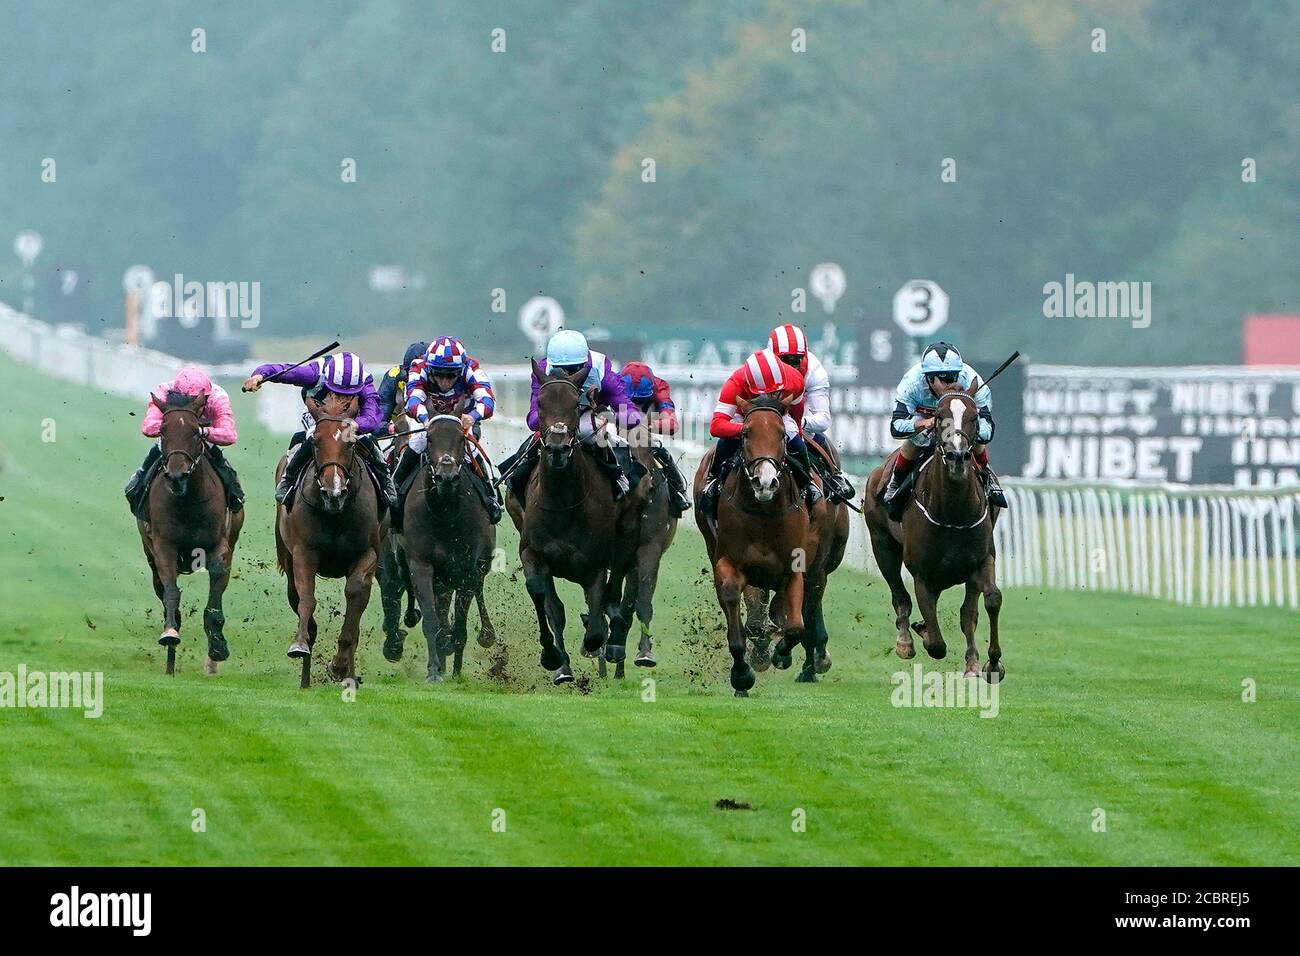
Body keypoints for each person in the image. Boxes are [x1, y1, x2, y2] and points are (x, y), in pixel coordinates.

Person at [501, 329, 643, 501]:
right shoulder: (542, 370)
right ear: (552, 365)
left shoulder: (600, 368)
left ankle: (619, 481)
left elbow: (629, 412)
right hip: (555, 417)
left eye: (574, 369)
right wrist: (550, 420)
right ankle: (516, 483)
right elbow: (532, 420)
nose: (567, 375)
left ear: (584, 364)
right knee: (537, 438)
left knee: (591, 431)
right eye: (561, 369)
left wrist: (610, 413)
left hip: (588, 413)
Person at [242, 351, 396, 508]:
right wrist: (259, 375)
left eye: (348, 394)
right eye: (337, 391)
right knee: (314, 437)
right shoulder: (314, 372)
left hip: (350, 419)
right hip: (318, 413)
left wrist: (356, 425)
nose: (342, 397)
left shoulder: (364, 381)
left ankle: (385, 481)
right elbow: (284, 370)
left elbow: (372, 416)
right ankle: (288, 479)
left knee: (368, 440)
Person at [881, 340, 1007, 519]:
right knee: (914, 442)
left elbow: (987, 431)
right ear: (929, 378)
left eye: (954, 377)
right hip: (925, 426)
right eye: (944, 378)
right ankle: (896, 481)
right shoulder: (911, 383)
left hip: (959, 427)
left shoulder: (973, 381)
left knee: (977, 442)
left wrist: (968, 426)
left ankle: (988, 476)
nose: (951, 383)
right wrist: (922, 424)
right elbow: (896, 426)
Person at [390, 336, 502, 528]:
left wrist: (473, 416)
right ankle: (395, 494)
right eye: (439, 375)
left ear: (460, 370)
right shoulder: (419, 367)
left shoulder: (472, 368)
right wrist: (426, 420)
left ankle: (490, 496)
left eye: (451, 376)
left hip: (461, 422)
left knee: (473, 452)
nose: (444, 381)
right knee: (416, 444)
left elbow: (488, 401)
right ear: (430, 369)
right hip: (429, 422)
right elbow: (413, 400)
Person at [698, 348, 820, 523]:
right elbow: (716, 426)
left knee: (797, 443)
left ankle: (808, 483)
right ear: (748, 383)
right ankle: (713, 482)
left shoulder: (794, 379)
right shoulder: (735, 383)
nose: (767, 396)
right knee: (724, 444)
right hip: (745, 417)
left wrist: (798, 431)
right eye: (760, 393)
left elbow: (797, 409)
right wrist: (748, 431)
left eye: (773, 392)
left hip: (778, 415)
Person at [124, 367, 244, 517]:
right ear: (177, 395)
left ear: (206, 397)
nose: (192, 406)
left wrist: (200, 431)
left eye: (196, 403)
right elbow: (148, 427)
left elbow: (229, 435)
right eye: (187, 401)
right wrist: (178, 429)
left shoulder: (218, 397)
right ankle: (138, 485)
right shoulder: (164, 391)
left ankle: (234, 496)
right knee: (154, 454)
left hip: (202, 436)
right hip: (172, 437)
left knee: (223, 467)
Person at [766, 324, 856, 502]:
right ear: (772, 358)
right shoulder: (759, 367)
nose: (791, 366)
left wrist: (798, 423)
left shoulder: (815, 371)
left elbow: (823, 420)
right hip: (767, 415)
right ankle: (713, 481)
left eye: (796, 360)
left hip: (800, 415)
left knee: (810, 435)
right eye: (785, 360)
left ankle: (834, 475)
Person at [619, 360, 691, 517]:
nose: (636, 405)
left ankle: (678, 491)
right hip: (616, 428)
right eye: (632, 400)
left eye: (640, 401)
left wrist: (647, 425)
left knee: (659, 449)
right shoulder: (613, 382)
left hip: (645, 432)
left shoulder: (660, 388)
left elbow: (672, 424)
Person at [375, 341, 429, 434]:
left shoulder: (442, 380)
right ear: (405, 371)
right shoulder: (393, 377)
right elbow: (378, 418)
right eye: (412, 372)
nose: (415, 376)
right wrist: (390, 428)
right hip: (401, 433)